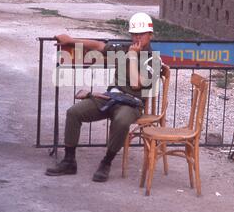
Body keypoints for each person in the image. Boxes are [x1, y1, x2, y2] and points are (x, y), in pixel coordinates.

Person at [45, 12, 160, 182]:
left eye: (141, 34)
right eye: (134, 34)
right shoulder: (123, 48)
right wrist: (70, 40)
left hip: (131, 104)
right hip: (111, 97)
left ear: (150, 35)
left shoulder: (153, 59)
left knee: (121, 121)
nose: (137, 38)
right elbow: (99, 45)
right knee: (74, 112)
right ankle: (69, 161)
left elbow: (136, 84)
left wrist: (133, 57)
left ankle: (106, 162)